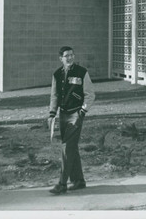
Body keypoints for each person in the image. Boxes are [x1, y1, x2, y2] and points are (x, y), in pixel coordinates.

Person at [47, 46, 95, 195]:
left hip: (76, 114)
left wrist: (82, 111)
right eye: (66, 56)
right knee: (71, 147)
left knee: (67, 147)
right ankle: (79, 181)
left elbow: (90, 94)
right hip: (63, 114)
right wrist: (52, 113)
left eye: (72, 55)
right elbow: (54, 96)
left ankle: (62, 184)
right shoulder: (56, 75)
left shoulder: (81, 72)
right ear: (60, 58)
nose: (70, 58)